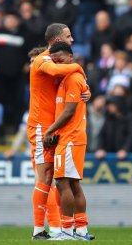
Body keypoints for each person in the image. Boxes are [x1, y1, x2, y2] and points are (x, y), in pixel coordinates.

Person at [27, 23, 89, 240]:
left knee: (58, 179)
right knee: (44, 176)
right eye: (68, 36)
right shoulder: (44, 60)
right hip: (41, 127)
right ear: (56, 39)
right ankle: (37, 230)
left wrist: (85, 88)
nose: (72, 39)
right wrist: (80, 69)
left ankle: (62, 228)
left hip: (56, 127)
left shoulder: (59, 62)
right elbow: (55, 71)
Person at [4, 47, 61, 236]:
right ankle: (52, 227)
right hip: (39, 134)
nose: (32, 65)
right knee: (45, 182)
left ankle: (54, 227)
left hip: (48, 132)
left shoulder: (50, 81)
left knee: (47, 183)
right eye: (30, 62)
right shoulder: (36, 87)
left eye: (35, 60)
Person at [44, 41, 91, 240]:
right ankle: (81, 230)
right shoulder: (68, 78)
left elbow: (69, 111)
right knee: (73, 185)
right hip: (72, 137)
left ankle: (67, 230)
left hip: (70, 138)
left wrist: (50, 130)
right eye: (55, 62)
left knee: (62, 183)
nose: (58, 65)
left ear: (70, 58)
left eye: (61, 60)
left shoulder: (72, 78)